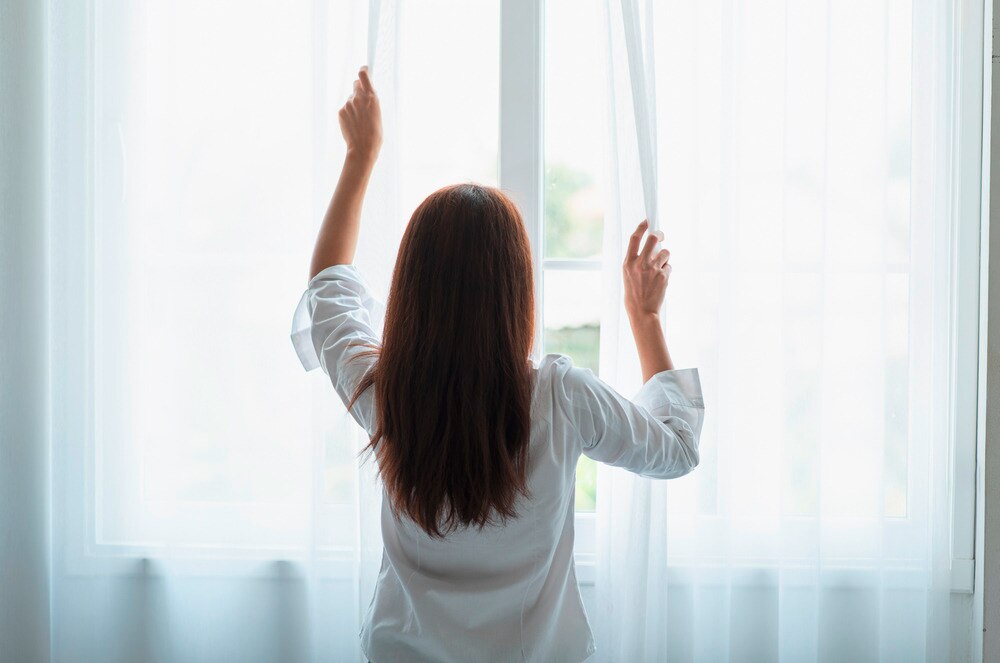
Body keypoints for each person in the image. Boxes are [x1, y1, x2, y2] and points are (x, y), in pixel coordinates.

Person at [292, 66, 705, 663]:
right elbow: (678, 450)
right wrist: (645, 319)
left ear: (412, 288)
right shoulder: (561, 396)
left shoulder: (386, 393)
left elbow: (328, 289)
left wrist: (360, 156)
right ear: (515, 293)